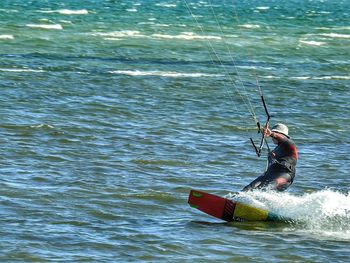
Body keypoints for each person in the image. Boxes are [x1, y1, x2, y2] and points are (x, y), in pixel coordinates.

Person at [242, 123, 298, 192]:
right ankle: (233, 200)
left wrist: (272, 134)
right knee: (248, 188)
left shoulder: (290, 144)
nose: (273, 137)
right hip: (270, 175)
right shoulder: (275, 150)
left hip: (285, 175)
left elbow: (283, 139)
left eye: (276, 133)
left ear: (283, 135)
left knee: (267, 188)